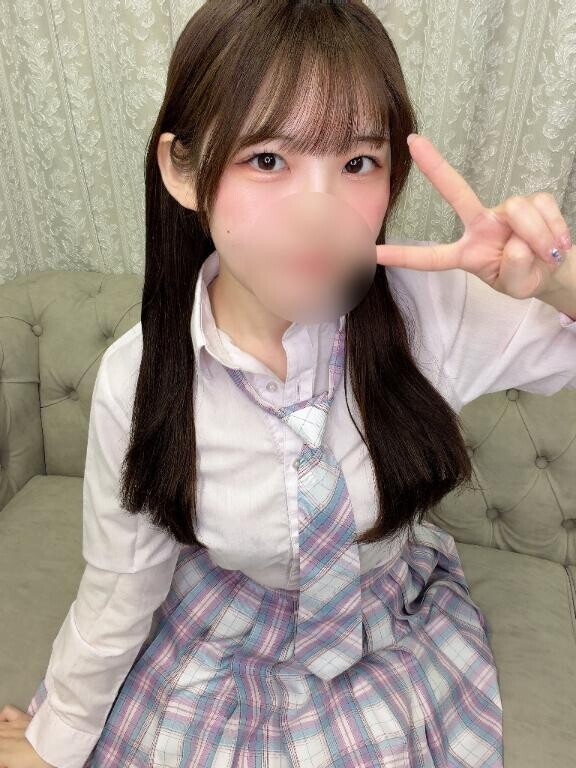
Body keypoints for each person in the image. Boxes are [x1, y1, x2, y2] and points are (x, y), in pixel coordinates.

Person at [2, 1, 575, 766]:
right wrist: (54, 741)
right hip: (222, 625)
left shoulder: (434, 313)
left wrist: (557, 279)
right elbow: (122, 582)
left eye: (358, 163)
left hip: (383, 624)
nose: (321, 215)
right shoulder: (138, 377)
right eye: (268, 160)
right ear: (183, 169)